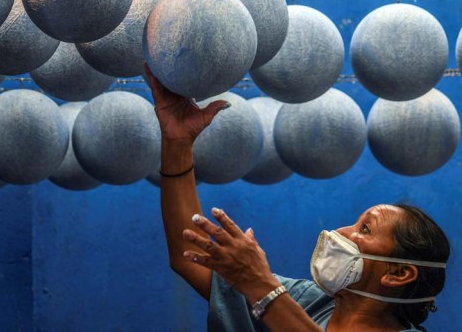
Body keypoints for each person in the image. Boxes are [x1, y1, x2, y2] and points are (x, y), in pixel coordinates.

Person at [145, 64, 449, 332]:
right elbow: (190, 256)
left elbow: (262, 289)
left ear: (398, 273)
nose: (341, 232)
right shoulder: (307, 302)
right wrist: (177, 144)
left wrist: (259, 284)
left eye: (365, 229)